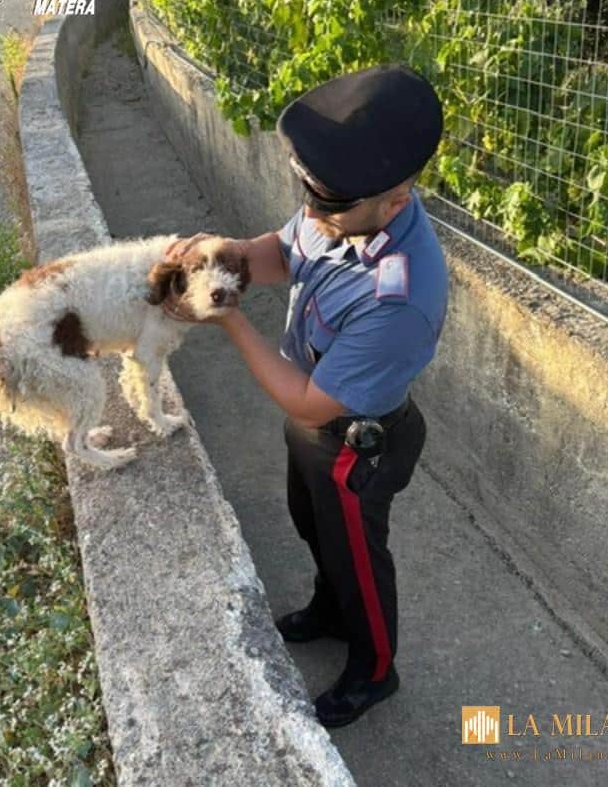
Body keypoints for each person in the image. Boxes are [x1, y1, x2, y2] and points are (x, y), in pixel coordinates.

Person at [164, 63, 449, 728]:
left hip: (357, 444)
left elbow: (311, 402)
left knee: (357, 559)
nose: (312, 215)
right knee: (309, 520)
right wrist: (226, 255)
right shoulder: (345, 201)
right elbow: (285, 252)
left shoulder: (400, 295)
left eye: (327, 207)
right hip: (318, 430)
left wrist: (227, 315)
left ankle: (374, 671)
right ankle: (330, 609)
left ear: (395, 201)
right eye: (309, 198)